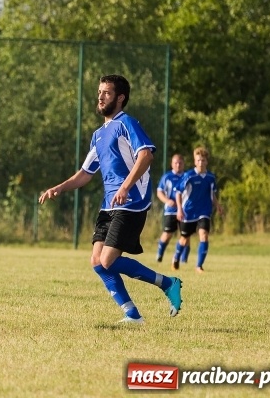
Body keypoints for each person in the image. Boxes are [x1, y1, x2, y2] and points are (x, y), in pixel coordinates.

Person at [39, 75, 183, 324]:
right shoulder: (98, 135)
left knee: (107, 260)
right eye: (99, 92)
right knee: (97, 262)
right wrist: (59, 188)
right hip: (109, 205)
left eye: (106, 92)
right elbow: (85, 174)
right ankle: (132, 314)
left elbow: (146, 155)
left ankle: (168, 283)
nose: (100, 96)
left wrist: (126, 187)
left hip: (132, 201)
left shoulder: (127, 123)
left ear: (120, 98)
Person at [174, 147, 225, 273]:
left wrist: (217, 205)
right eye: (198, 160)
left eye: (203, 160)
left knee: (204, 235)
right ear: (195, 162)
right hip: (188, 211)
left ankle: (199, 266)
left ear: (206, 162)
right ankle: (176, 258)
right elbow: (178, 192)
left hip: (204, 211)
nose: (201, 162)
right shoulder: (188, 175)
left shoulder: (210, 177)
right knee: (184, 238)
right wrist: (179, 209)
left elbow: (212, 193)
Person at [155, 154, 185, 262]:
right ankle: (160, 254)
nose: (178, 165)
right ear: (172, 164)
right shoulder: (167, 177)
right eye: (176, 163)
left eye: (180, 163)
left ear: (183, 164)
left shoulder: (187, 176)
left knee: (185, 235)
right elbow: (159, 192)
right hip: (171, 211)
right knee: (168, 233)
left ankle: (182, 259)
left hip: (185, 211)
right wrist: (167, 201)